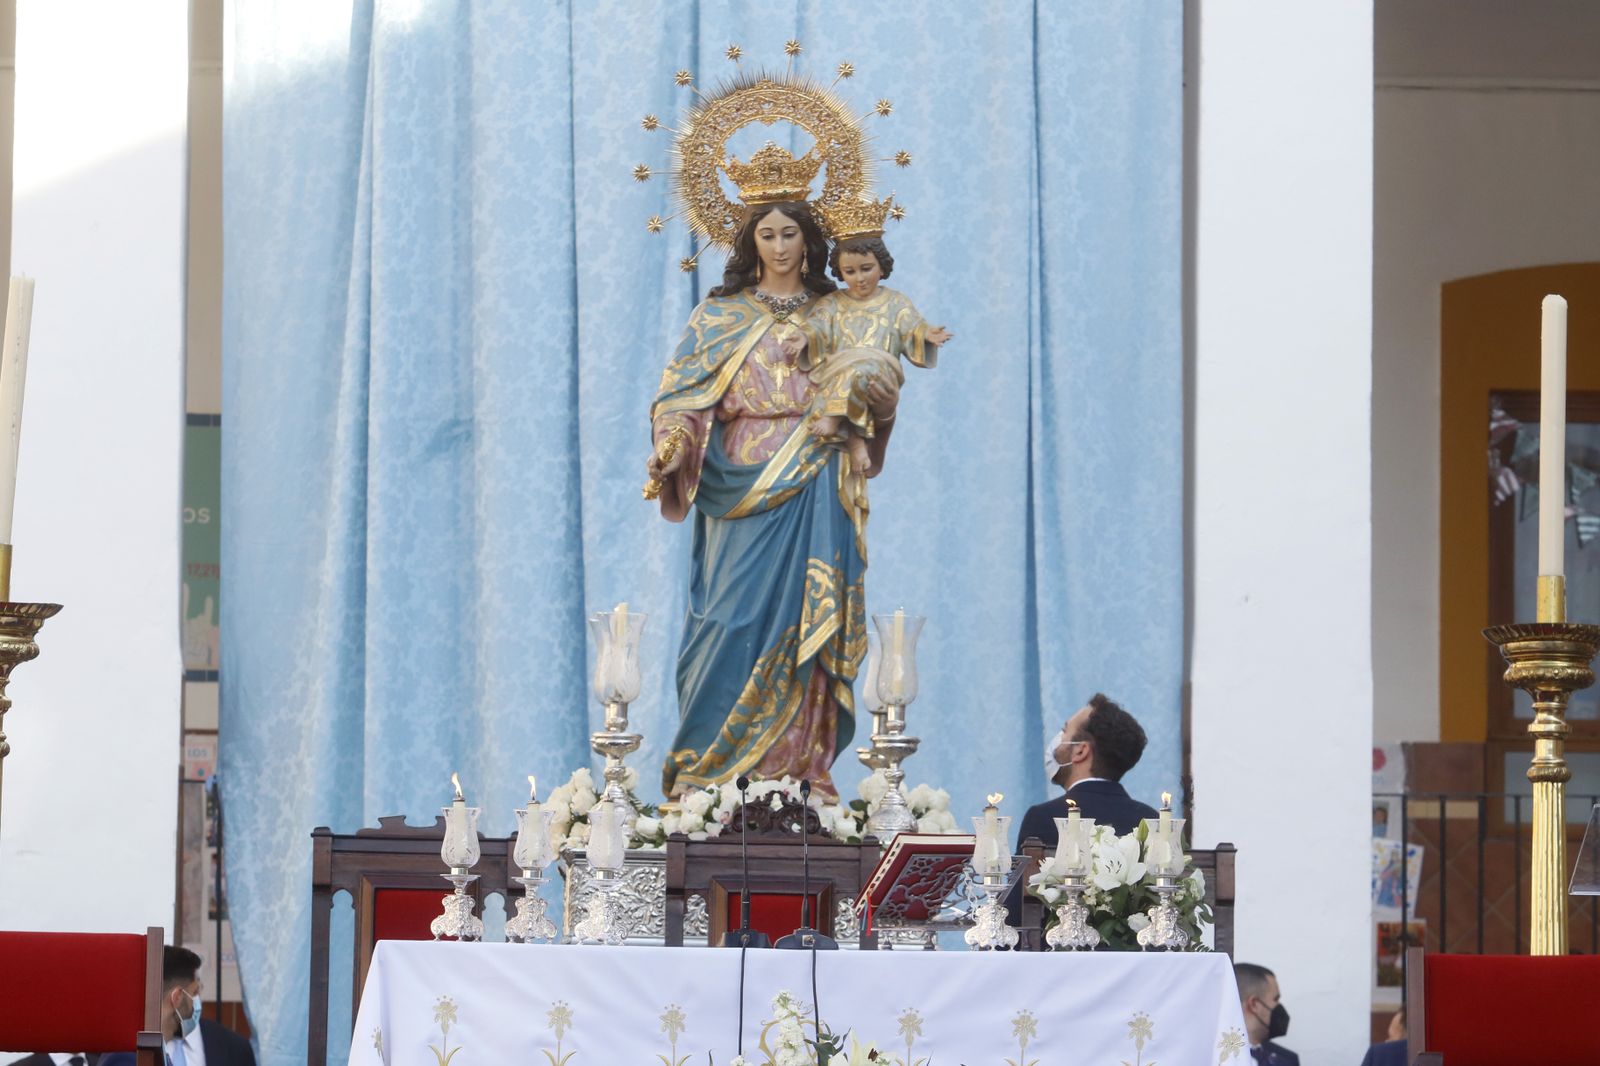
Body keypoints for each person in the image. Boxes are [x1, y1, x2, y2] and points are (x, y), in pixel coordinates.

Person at [647, 173, 899, 802]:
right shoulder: (720, 315)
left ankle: (795, 770)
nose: (781, 246)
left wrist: (883, 402)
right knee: (727, 619)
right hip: (739, 481)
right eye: (767, 234)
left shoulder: (836, 311)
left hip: (819, 472)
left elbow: (871, 394)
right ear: (750, 241)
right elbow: (681, 397)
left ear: (810, 239)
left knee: (807, 625)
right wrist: (671, 444)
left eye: (790, 232)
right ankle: (706, 774)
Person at [802, 222, 952, 479]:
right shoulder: (832, 303)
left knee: (863, 372)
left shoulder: (895, 301)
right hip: (840, 368)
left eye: (866, 268)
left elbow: (911, 326)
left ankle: (835, 420)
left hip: (880, 367)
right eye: (849, 271)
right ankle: (856, 441)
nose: (859, 278)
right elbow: (817, 327)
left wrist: (926, 334)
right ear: (840, 272)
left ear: (882, 266)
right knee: (851, 374)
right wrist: (802, 338)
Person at [1016, 694, 1160, 849]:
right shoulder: (1152, 821)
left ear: (1080, 751)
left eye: (1064, 731)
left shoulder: (1043, 818)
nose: (1058, 740)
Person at [100, 946, 255, 1066]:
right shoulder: (123, 1055)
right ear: (178, 997)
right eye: (195, 991)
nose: (198, 998)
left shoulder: (234, 1047)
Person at [1234, 962, 1298, 1066]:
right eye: (1275, 999)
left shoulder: (1286, 1059)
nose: (1279, 1006)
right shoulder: (1213, 1057)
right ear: (1254, 1004)